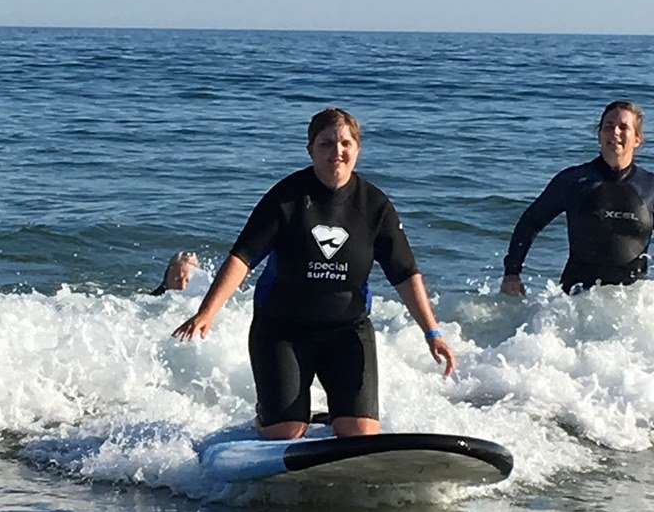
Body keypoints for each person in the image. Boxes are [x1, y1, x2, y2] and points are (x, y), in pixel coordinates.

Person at [174, 107, 455, 440]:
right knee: (286, 431)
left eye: (346, 143)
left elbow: (405, 273)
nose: (337, 151)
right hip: (281, 330)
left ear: (357, 149)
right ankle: (268, 418)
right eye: (326, 143)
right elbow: (242, 258)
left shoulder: (374, 206)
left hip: (347, 331)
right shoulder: (286, 198)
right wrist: (207, 312)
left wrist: (432, 332)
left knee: (360, 434)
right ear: (310, 149)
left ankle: (331, 417)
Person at [501, 101, 654, 296]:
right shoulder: (574, 181)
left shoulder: (650, 187)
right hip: (575, 301)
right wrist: (512, 273)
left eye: (623, 127)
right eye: (608, 127)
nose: (615, 132)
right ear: (599, 134)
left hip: (632, 305)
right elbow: (530, 222)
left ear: (637, 139)